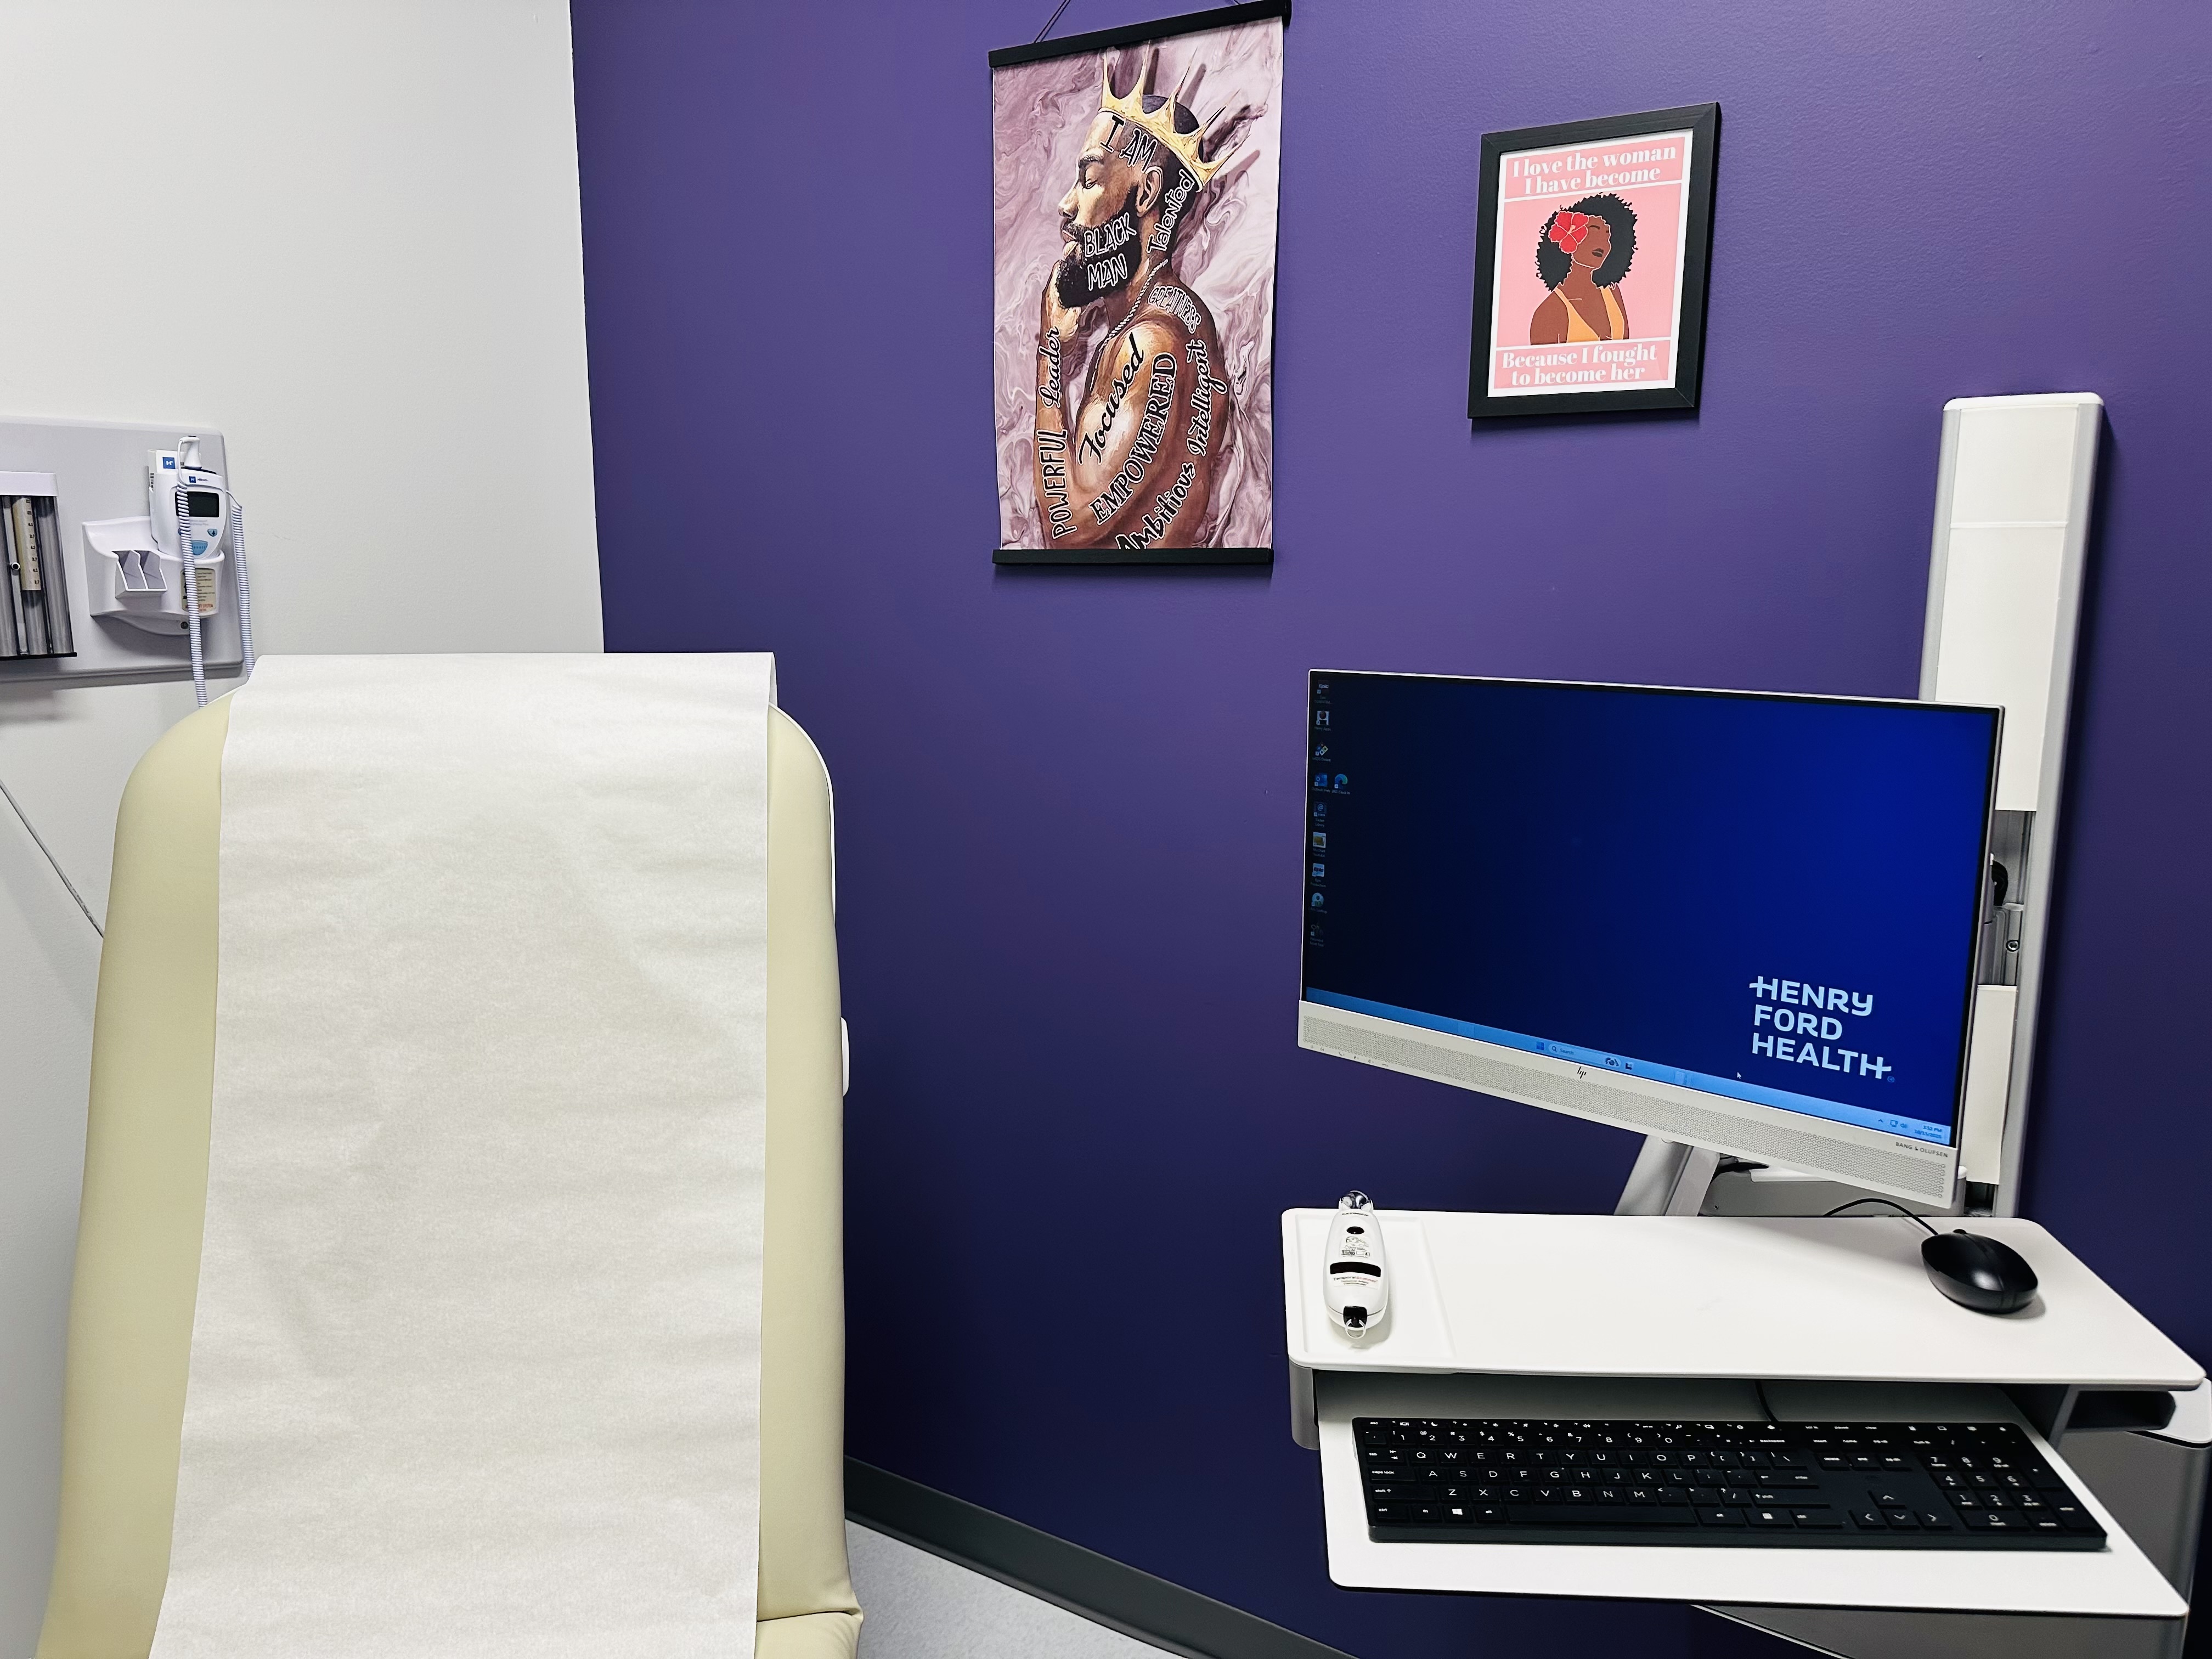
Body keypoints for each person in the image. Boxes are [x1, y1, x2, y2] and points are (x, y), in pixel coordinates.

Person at [1031, 48, 1248, 551]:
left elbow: (1066, 530)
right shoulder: (1181, 318)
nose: (1066, 206)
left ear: (1148, 192)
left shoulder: (1148, 343)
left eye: (1088, 179)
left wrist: (1049, 349)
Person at [1528, 193, 1638, 346]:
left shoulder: (1612, 292)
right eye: (1594, 230)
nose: (1603, 242)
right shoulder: (1549, 311)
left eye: (1608, 235)